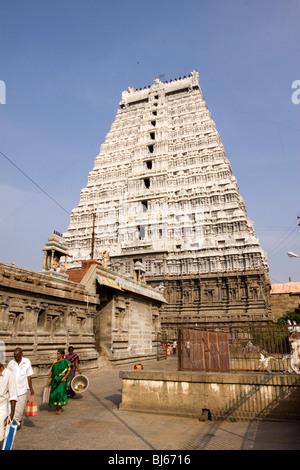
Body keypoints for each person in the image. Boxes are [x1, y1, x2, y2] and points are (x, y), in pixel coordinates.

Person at [7, 347, 34, 429]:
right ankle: (11, 424)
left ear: (22, 355)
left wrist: (31, 389)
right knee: (10, 408)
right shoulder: (11, 363)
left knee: (19, 409)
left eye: (18, 356)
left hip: (22, 390)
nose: (16, 357)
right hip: (11, 390)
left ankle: (18, 423)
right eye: (15, 356)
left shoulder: (27, 362)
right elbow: (7, 375)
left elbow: (29, 376)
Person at [0, 348, 17, 449]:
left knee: (1, 432)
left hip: (2, 407)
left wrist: (12, 413)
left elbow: (13, 395)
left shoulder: (8, 374)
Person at [47, 349, 71, 415]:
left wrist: (64, 377)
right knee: (54, 394)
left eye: (59, 354)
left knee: (60, 393)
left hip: (61, 380)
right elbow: (52, 370)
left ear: (62, 355)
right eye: (57, 353)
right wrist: (49, 378)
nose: (58, 355)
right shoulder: (55, 361)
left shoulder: (65, 362)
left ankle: (59, 409)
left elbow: (69, 370)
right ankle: (56, 408)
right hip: (55, 380)